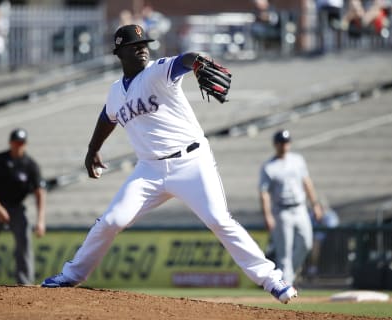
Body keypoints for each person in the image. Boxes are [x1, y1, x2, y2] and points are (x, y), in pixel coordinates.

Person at [41, 24, 297, 304]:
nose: (142, 48)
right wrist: (92, 149)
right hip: (149, 170)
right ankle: (71, 275)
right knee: (112, 220)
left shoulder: (157, 71)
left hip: (191, 161)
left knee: (219, 220)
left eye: (144, 44)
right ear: (119, 53)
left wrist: (197, 61)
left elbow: (185, 59)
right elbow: (107, 117)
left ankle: (273, 280)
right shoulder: (115, 92)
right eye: (134, 46)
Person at [0, 128, 46, 285]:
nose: (18, 145)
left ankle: (25, 283)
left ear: (25, 144)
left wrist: (40, 221)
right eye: (16, 142)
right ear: (10, 142)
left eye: (21, 143)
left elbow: (40, 193)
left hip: (17, 208)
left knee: (24, 242)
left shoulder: (31, 165)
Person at [259, 129, 323, 285]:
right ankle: (285, 285)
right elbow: (264, 193)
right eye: (281, 142)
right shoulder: (269, 166)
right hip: (281, 211)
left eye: (286, 142)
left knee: (306, 244)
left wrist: (315, 204)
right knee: (284, 253)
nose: (284, 145)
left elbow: (307, 182)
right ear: (276, 145)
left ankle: (287, 277)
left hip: (300, 208)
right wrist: (267, 215)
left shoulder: (297, 160)